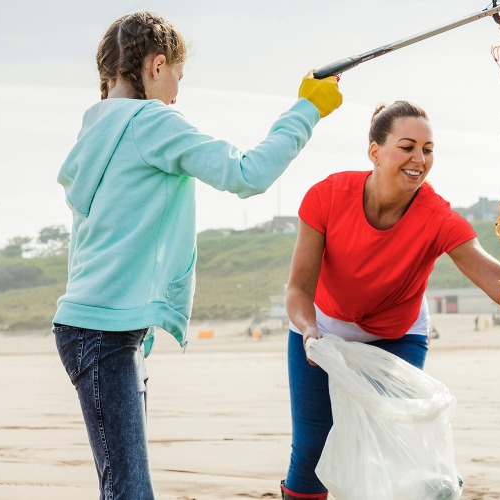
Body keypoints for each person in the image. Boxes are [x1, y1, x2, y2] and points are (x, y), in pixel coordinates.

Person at [277, 101, 500, 499]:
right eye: (407, 147)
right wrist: (310, 330)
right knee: (312, 452)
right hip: (321, 330)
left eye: (428, 149)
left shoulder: (436, 217)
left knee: (400, 444)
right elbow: (299, 288)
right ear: (375, 151)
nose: (419, 159)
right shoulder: (327, 196)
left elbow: (496, 279)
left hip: (396, 334)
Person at [52, 11, 342, 499]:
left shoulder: (94, 136)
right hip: (102, 331)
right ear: (156, 65)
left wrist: (137, 319)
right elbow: (246, 174)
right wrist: (306, 110)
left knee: (122, 486)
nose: (176, 93)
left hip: (97, 327)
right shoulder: (152, 122)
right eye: (177, 78)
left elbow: (87, 244)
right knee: (129, 490)